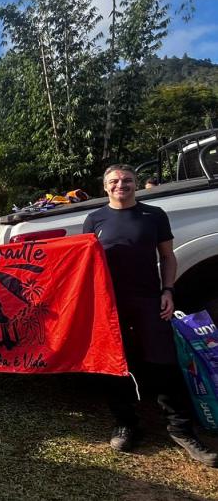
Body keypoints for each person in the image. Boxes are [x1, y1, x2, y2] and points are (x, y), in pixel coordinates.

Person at [83, 164, 216, 467]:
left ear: (136, 184)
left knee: (163, 362)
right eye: (114, 181)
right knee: (115, 364)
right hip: (110, 305)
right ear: (105, 186)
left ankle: (181, 429)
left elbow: (167, 257)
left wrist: (168, 290)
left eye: (127, 180)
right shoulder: (95, 219)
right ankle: (126, 423)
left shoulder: (154, 215)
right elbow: (85, 263)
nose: (121, 185)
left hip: (149, 300)